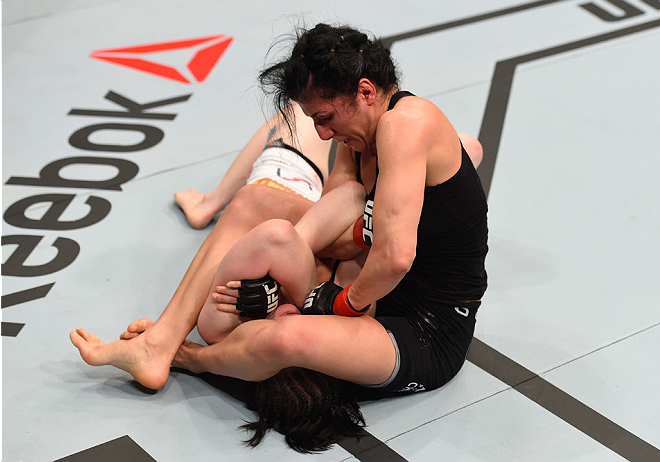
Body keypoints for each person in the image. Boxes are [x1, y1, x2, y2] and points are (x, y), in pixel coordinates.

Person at [70, 22, 486, 451]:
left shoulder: (404, 126)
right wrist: (276, 285)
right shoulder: (358, 134)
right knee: (254, 202)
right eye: (315, 121)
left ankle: (188, 357)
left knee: (287, 338)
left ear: (364, 91)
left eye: (325, 118)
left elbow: (396, 256)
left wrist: (335, 302)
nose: (322, 134)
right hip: (370, 286)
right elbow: (341, 234)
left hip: (424, 329)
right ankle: (158, 343)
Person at [174, 103, 331, 229]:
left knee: (299, 107)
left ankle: (209, 203)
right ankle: (209, 203)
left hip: (270, 211)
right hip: (301, 223)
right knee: (307, 105)